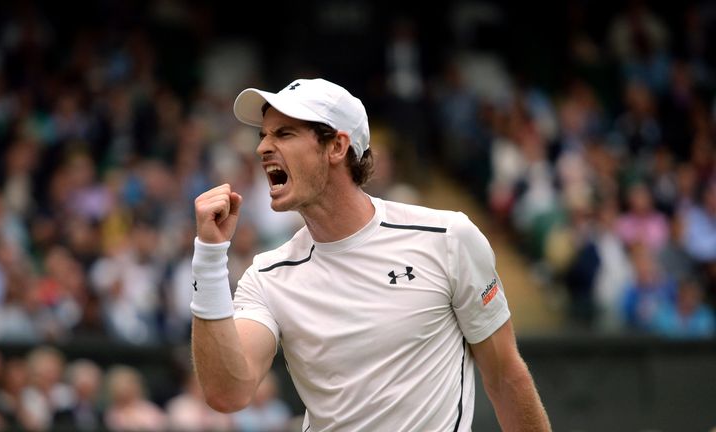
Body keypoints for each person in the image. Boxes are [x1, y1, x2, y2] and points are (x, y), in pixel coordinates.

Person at [190, 78, 551, 431]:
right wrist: (208, 257)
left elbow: (505, 377)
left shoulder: (448, 238)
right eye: (263, 135)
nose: (262, 148)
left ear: (336, 147)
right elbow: (228, 393)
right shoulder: (266, 275)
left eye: (284, 134)